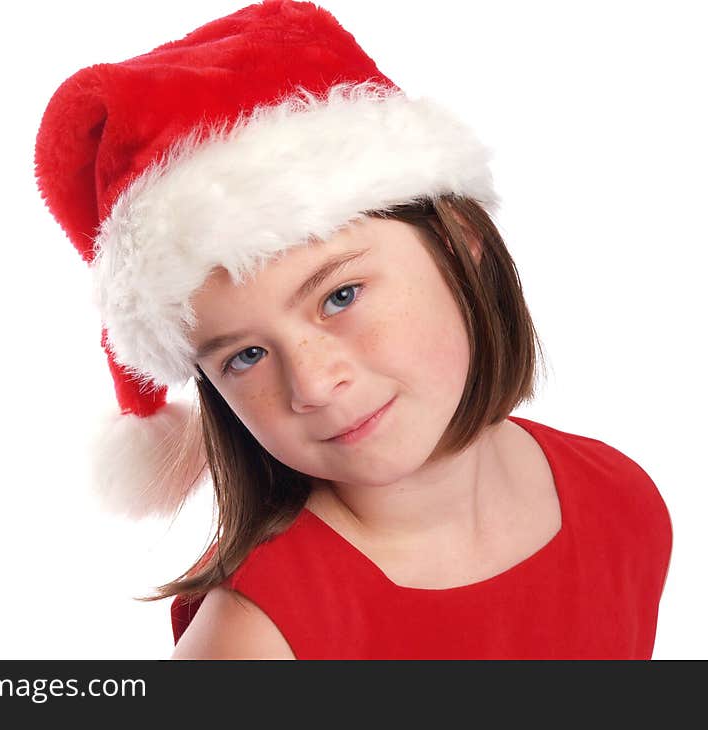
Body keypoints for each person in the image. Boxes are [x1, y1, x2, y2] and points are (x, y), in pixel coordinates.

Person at [34, 0, 673, 659]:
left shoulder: (621, 502)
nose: (311, 383)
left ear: (462, 244)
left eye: (340, 296)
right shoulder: (254, 642)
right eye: (247, 355)